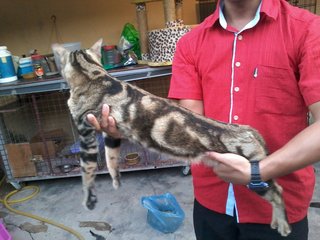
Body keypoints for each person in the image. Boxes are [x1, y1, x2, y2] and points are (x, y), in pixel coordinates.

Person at [87, 0, 320, 239]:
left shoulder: (307, 30)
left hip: (277, 205)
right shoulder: (190, 43)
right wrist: (131, 127)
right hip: (211, 202)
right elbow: (190, 127)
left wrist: (259, 171)